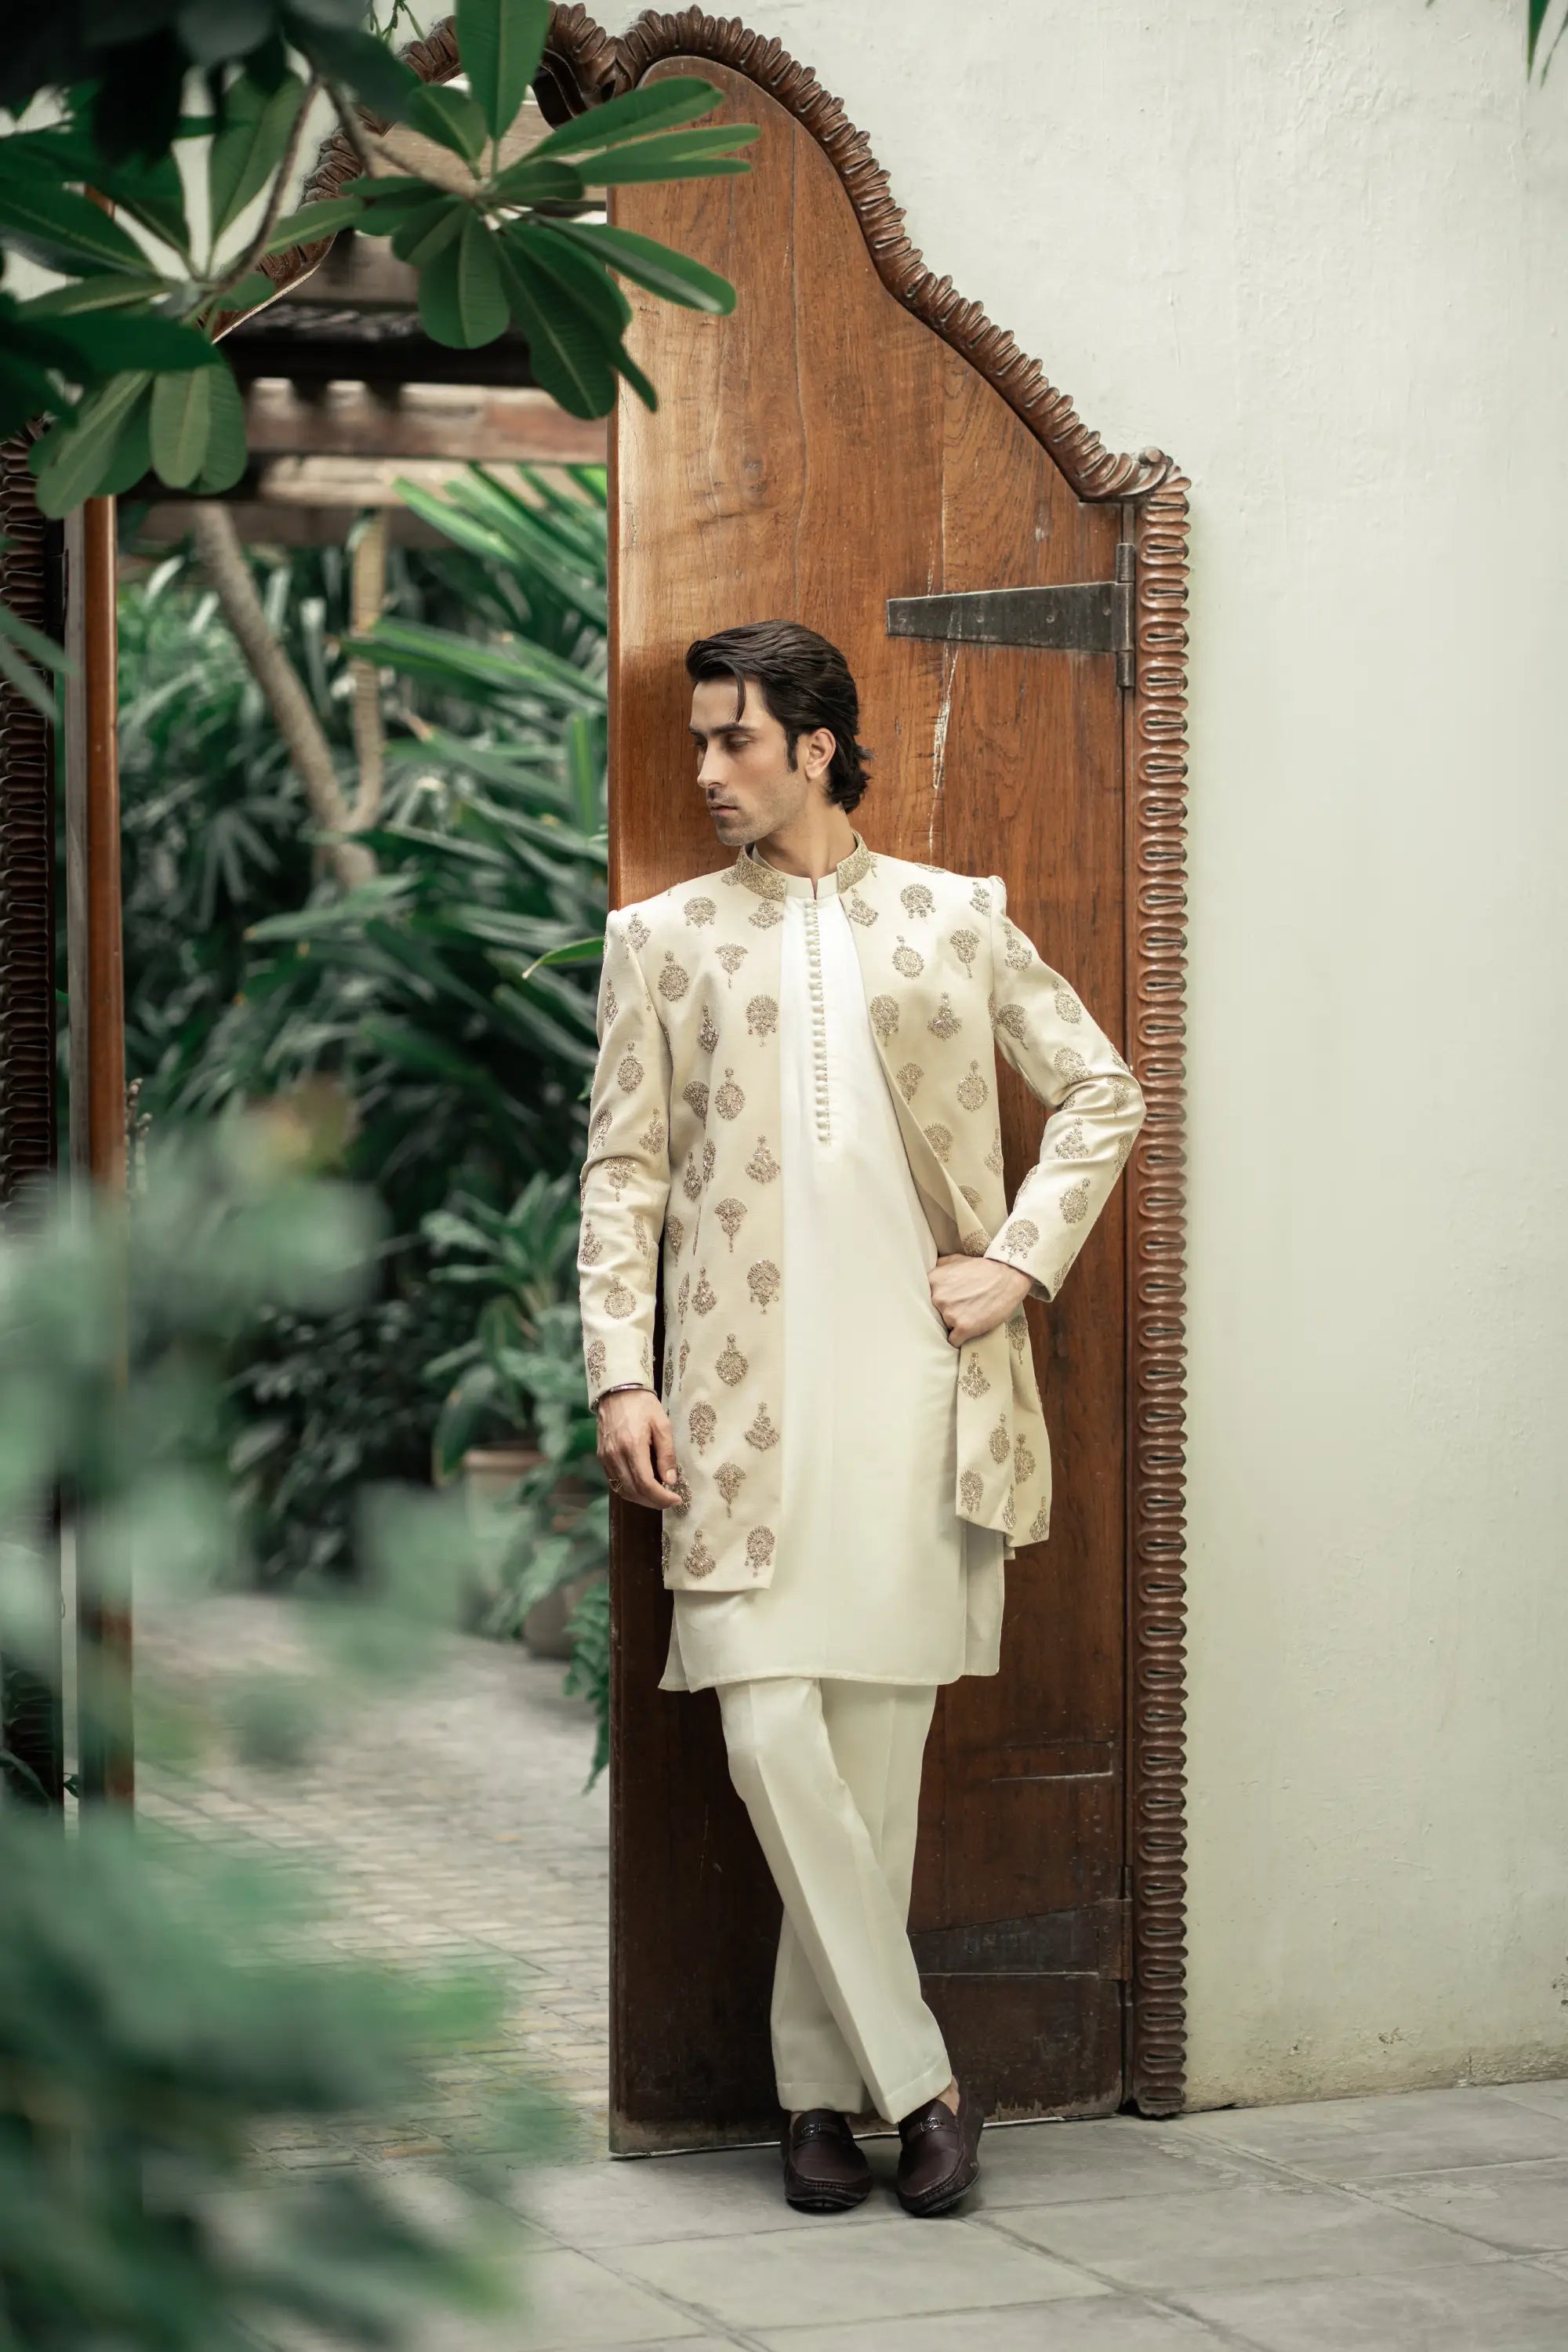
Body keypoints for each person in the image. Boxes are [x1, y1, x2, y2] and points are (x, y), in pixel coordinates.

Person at [579, 620, 1145, 2216]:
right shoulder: (662, 940)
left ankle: (817, 2107)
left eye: (732, 741)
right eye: (697, 743)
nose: (704, 773)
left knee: (873, 1778)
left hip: (915, 1399)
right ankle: (925, 2079)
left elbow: (1104, 1089)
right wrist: (621, 1367)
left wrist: (1019, 1262)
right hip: (738, 1410)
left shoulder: (953, 920)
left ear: (817, 744)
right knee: (769, 1736)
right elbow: (623, 1178)